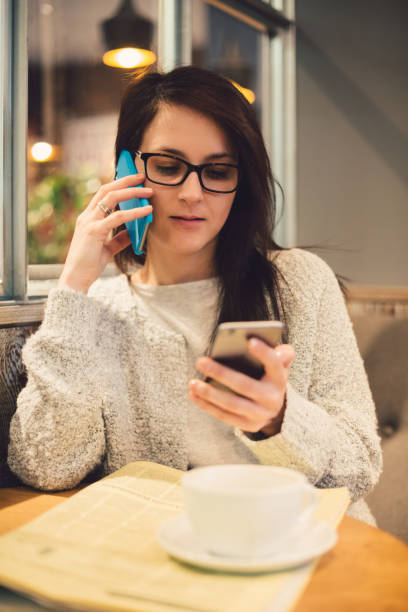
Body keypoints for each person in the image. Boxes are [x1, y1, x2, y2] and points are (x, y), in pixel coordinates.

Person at [8, 66, 382, 524]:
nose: (192, 193)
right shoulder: (98, 312)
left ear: (238, 183)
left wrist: (279, 419)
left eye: (218, 171)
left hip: (299, 547)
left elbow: (360, 465)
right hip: (163, 560)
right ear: (127, 170)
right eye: (168, 167)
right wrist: (73, 286)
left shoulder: (300, 282)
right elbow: (46, 466)